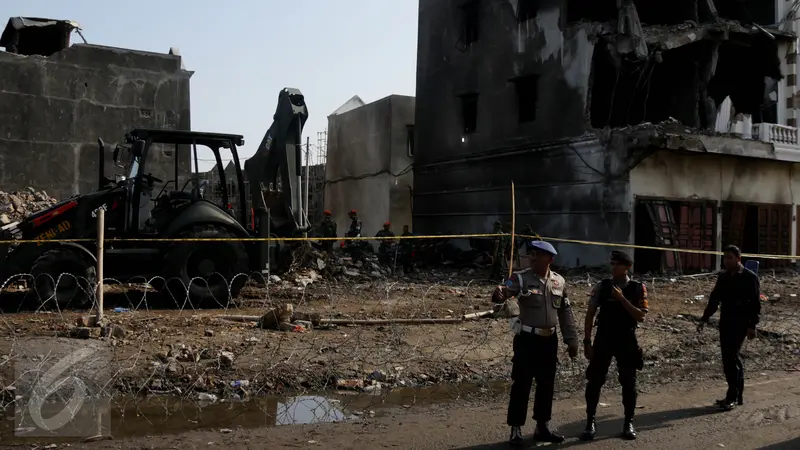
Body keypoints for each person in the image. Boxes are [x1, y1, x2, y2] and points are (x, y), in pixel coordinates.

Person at [491, 240, 579, 445]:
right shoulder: (521, 279)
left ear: (550, 259)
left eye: (538, 255)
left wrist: (571, 340)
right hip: (527, 340)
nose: (533, 257)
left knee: (546, 385)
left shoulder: (559, 282)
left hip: (549, 341)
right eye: (532, 254)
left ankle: (543, 426)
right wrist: (499, 293)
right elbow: (503, 292)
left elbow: (565, 312)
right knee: (521, 384)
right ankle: (516, 428)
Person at [581, 250, 648, 441]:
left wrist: (622, 299)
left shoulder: (638, 288)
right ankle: (590, 422)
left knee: (628, 382)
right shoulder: (602, 286)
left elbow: (641, 316)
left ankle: (628, 422)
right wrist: (587, 341)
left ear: (628, 267)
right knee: (594, 380)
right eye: (612, 264)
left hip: (626, 339)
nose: (613, 267)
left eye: (618, 264)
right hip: (604, 338)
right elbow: (590, 313)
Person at [697, 245, 761, 411]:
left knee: (732, 357)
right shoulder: (724, 277)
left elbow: (755, 304)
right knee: (728, 358)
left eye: (730, 258)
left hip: (741, 322)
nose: (726, 261)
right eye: (725, 258)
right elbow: (714, 299)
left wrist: (752, 326)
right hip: (726, 321)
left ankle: (733, 396)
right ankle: (734, 394)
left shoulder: (749, 277)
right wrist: (705, 318)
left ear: (738, 259)